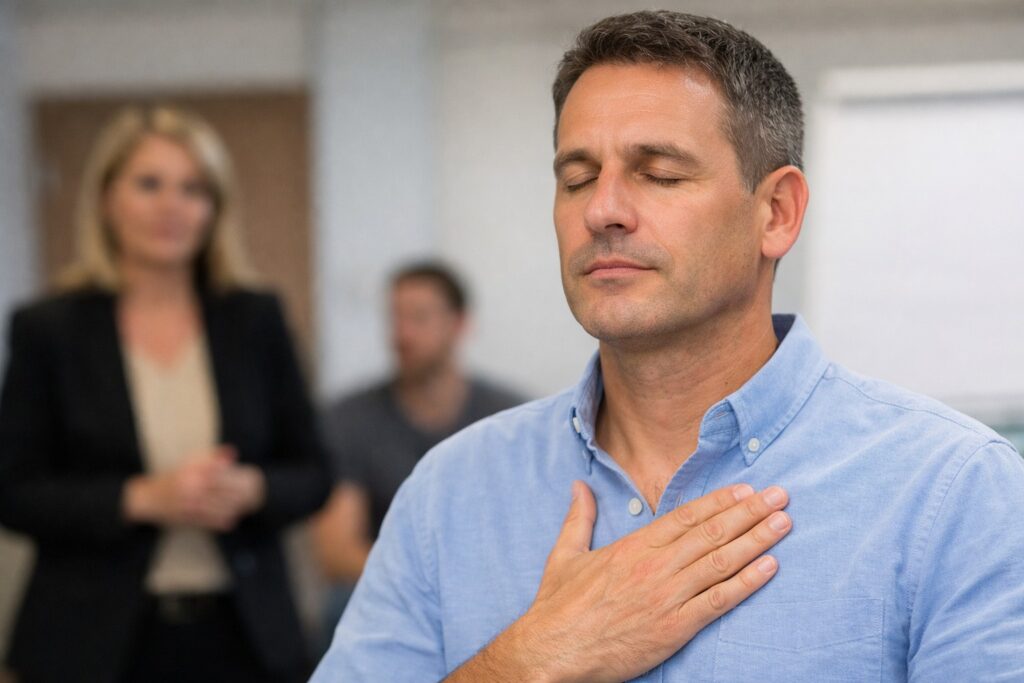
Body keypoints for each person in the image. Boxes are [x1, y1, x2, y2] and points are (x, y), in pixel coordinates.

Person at [312, 10, 1024, 682]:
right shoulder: (452, 493)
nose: (602, 210)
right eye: (577, 177)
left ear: (775, 213)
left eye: (659, 173)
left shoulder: (953, 492)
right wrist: (535, 656)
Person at [0, 106, 330, 683]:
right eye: (149, 184)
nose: (171, 206)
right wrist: (142, 499)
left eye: (193, 188)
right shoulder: (48, 329)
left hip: (244, 636)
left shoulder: (254, 318)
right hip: (91, 644)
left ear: (214, 208)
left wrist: (251, 488)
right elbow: (13, 491)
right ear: (106, 199)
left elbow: (314, 471)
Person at [311, 262, 524, 631]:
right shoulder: (349, 418)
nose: (402, 333)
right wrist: (440, 587)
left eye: (419, 318)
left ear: (459, 325)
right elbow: (336, 552)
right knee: (342, 605)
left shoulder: (509, 420)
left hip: (487, 591)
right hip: (392, 593)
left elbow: (527, 537)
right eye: (395, 317)